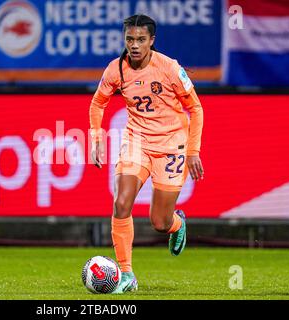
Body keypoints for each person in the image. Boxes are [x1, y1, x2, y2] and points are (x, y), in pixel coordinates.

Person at [89, 14, 204, 294]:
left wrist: (193, 151)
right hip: (136, 142)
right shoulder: (116, 69)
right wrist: (96, 137)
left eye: (141, 39)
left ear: (152, 41)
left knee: (159, 222)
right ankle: (126, 274)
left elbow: (196, 108)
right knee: (121, 203)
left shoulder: (169, 68)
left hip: (171, 145)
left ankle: (177, 224)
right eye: (130, 39)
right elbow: (98, 103)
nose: (135, 45)